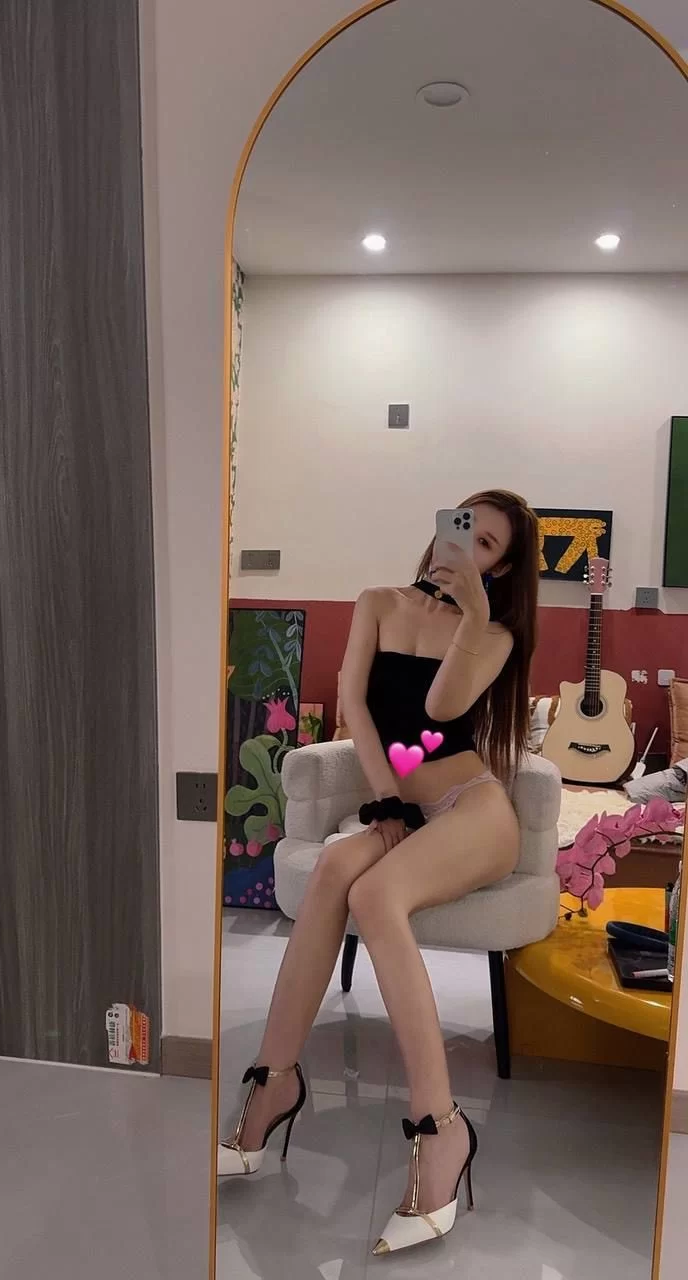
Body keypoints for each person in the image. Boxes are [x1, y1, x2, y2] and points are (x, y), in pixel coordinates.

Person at [218, 488, 540, 1257]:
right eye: (466, 527)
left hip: (474, 811)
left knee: (377, 893)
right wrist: (389, 801)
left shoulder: (494, 634)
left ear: (501, 568)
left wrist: (470, 615)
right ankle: (275, 1079)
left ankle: (442, 1128)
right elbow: (357, 710)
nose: (468, 546)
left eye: (488, 545)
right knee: (338, 865)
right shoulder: (378, 602)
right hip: (411, 806)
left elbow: (442, 706)